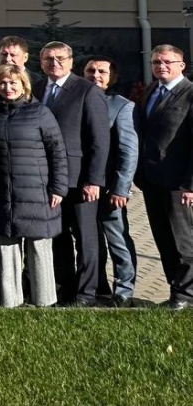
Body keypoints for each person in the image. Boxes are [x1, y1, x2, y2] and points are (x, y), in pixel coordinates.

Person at [0, 64, 68, 308]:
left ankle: (44, 301)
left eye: (13, 83)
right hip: (3, 193)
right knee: (7, 248)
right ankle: (11, 302)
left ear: (23, 85)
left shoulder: (40, 112)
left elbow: (57, 151)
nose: (8, 87)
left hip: (37, 192)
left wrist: (58, 187)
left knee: (38, 247)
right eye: (2, 83)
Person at [33, 41, 109, 307]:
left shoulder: (88, 90)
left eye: (60, 58)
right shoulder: (37, 89)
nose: (54, 63)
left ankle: (87, 293)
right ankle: (65, 288)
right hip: (46, 178)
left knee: (86, 238)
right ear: (41, 61)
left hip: (79, 180)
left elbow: (99, 140)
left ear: (70, 61)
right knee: (59, 236)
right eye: (48, 58)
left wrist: (94, 179)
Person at [134, 44, 193, 310]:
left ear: (182, 65)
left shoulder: (189, 93)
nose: (162, 66)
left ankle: (187, 295)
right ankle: (175, 290)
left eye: (168, 62)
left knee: (183, 242)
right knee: (164, 239)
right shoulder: (151, 91)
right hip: (152, 180)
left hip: (179, 183)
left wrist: (190, 185)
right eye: (157, 62)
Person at [82, 55, 139, 305]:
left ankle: (124, 290)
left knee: (117, 239)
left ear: (112, 77)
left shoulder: (121, 106)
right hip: (82, 186)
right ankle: (97, 286)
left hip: (110, 189)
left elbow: (128, 150)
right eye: (90, 70)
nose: (95, 75)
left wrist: (121, 188)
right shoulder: (79, 100)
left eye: (102, 72)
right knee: (89, 240)